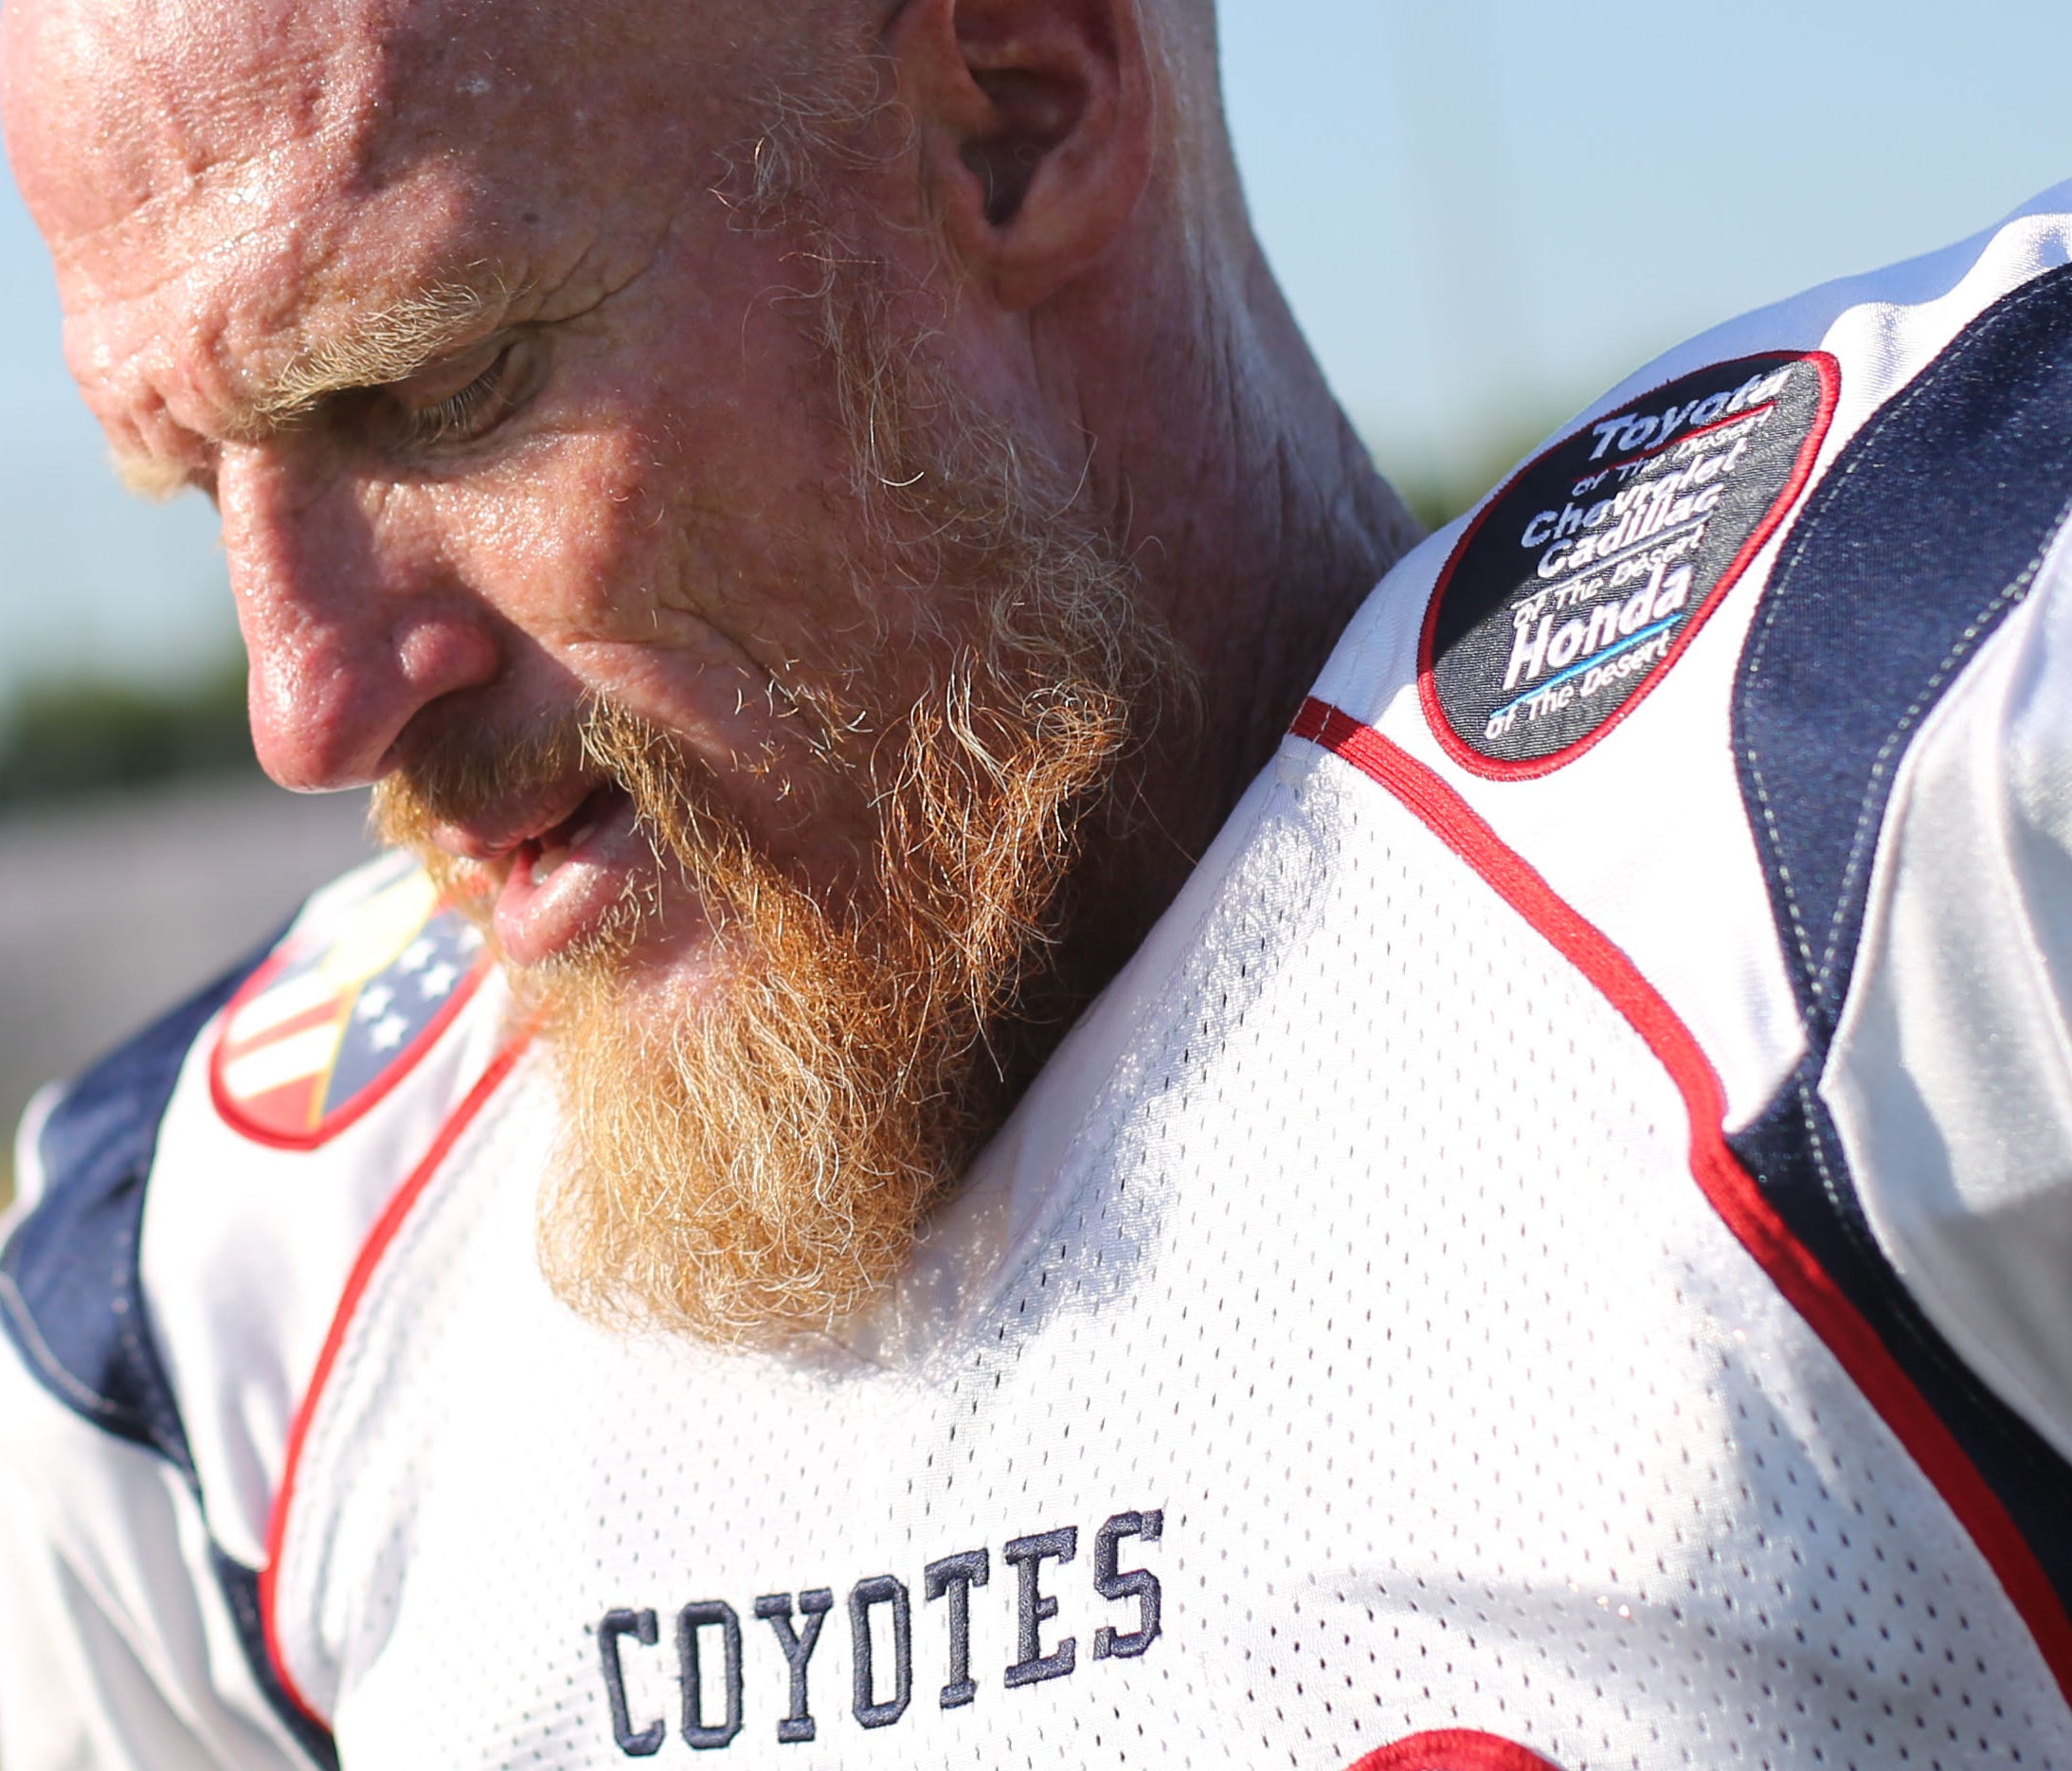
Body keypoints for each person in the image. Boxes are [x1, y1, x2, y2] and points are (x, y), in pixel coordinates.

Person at [1, 0, 2069, 1762]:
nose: (309, 703)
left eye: (438, 384)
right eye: (200, 480)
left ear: (1017, 108)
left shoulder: (1896, 804)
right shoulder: (219, 1301)